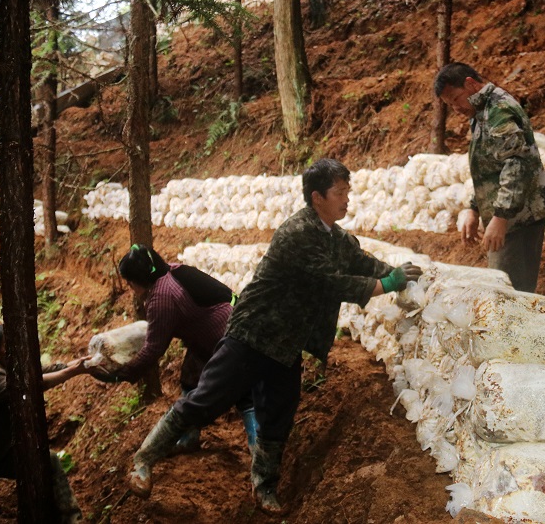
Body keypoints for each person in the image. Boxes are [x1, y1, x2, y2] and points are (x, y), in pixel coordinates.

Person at [126, 159, 423, 514]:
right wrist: (386, 285)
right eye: (339, 193)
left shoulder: (334, 236)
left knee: (279, 413)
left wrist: (394, 272)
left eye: (348, 191)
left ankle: (264, 486)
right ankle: (143, 459)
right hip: (252, 334)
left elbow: (359, 260)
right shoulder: (297, 233)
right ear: (317, 197)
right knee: (205, 400)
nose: (347, 199)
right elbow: (329, 282)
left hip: (285, 343)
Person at [102, 244, 258, 455]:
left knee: (244, 394)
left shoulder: (161, 297)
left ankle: (259, 449)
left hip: (229, 336)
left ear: (139, 279)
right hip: (221, 331)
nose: (130, 287)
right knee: (190, 380)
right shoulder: (171, 271)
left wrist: (123, 373)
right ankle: (188, 438)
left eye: (130, 282)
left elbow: (153, 349)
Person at [434, 62, 545, 292]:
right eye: (450, 105)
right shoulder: (479, 111)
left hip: (519, 217)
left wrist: (501, 217)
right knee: (502, 288)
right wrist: (474, 208)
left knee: (510, 294)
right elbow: (488, 167)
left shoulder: (499, 110)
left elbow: (516, 163)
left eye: (456, 99)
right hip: (509, 215)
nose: (456, 109)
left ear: (470, 84)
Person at [0, 324, 87, 522]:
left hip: (0, 453)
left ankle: (72, 520)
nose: (17, 347)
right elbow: (25, 386)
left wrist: (79, 365)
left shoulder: (10, 368)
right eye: (10, 344)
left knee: (48, 460)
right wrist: (71, 372)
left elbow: (39, 372)